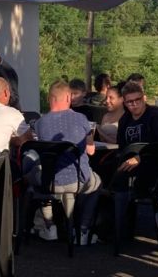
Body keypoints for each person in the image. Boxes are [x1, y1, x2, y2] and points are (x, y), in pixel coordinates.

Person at [27, 81, 102, 245]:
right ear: (68, 97)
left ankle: (49, 225)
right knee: (97, 183)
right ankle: (82, 230)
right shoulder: (81, 119)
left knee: (34, 175)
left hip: (50, 182)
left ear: (49, 98)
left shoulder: (40, 123)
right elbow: (91, 151)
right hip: (78, 181)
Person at [115, 82, 158, 149]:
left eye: (137, 100)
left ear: (144, 98)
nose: (134, 104)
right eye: (130, 101)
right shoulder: (124, 120)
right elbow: (121, 146)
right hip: (129, 154)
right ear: (125, 103)